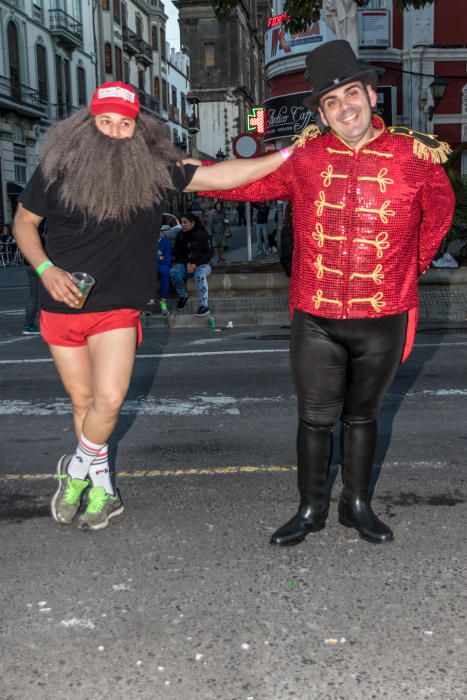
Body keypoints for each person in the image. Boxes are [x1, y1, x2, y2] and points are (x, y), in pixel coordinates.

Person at [198, 40, 455, 545]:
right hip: (315, 314)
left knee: (362, 415)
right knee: (314, 418)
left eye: (351, 94)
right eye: (331, 101)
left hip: (383, 314)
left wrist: (407, 266)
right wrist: (176, 172)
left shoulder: (415, 156)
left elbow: (441, 212)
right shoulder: (305, 157)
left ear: (371, 96)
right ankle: (311, 508)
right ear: (321, 111)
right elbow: (242, 186)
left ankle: (355, 505)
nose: (344, 108)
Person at [13, 80, 295, 531]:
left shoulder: (154, 169)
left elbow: (220, 175)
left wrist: (287, 156)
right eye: (104, 121)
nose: (113, 131)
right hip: (62, 304)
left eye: (124, 124)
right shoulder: (57, 168)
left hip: (118, 306)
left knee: (108, 398)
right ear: (88, 124)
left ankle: (77, 469)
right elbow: (25, 223)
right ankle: (103, 488)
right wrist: (46, 269)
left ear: (137, 128)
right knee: (83, 400)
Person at [170, 213, 213, 316]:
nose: (182, 225)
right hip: (186, 264)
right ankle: (183, 296)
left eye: (185, 222)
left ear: (192, 223)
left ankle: (204, 306)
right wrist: (187, 263)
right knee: (173, 272)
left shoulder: (203, 234)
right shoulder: (180, 235)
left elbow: (209, 253)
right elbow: (177, 253)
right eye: (181, 222)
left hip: (203, 264)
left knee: (199, 274)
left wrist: (195, 264)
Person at [22, 219, 47, 335]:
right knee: (41, 296)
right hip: (38, 264)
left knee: (34, 295)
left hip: (28, 264)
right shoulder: (39, 234)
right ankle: (33, 325)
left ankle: (29, 324)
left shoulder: (25, 231)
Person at [157, 230, 172, 316]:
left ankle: (163, 305)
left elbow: (167, 260)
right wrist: (160, 257)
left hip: (163, 267)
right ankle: (148, 305)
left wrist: (156, 258)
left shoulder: (165, 242)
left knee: (165, 271)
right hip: (151, 267)